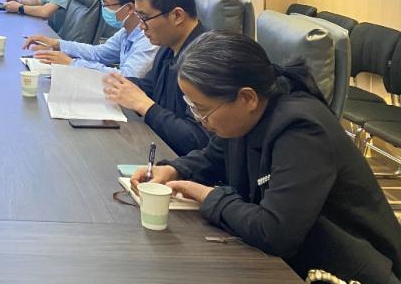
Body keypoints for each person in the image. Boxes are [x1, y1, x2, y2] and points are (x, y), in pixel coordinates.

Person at [132, 32, 401, 283]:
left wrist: (208, 196)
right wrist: (174, 170)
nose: (201, 120)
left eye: (202, 109)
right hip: (300, 262)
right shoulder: (249, 115)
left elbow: (274, 232)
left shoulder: (302, 130)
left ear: (246, 97)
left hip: (347, 271)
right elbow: (213, 157)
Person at [101, 0, 208, 155]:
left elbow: (196, 140)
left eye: (145, 18)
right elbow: (150, 87)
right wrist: (112, 85)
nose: (141, 26)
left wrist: (145, 106)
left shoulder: (204, 61)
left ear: (177, 16)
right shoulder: (169, 46)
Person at [22, 0, 158, 78]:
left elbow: (128, 78)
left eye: (107, 5)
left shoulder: (148, 38)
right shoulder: (127, 30)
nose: (103, 9)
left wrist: (72, 63)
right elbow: (98, 53)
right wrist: (57, 44)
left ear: (128, 8)